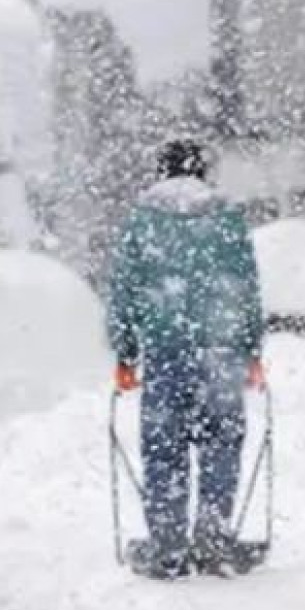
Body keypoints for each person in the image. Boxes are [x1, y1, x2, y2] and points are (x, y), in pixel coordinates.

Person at [107, 139, 267, 579]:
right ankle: (214, 542)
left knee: (163, 450)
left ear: (162, 172)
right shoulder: (227, 218)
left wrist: (125, 351)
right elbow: (245, 287)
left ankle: (168, 547)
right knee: (221, 445)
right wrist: (252, 350)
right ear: (202, 172)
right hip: (221, 350)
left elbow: (124, 288)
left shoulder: (142, 221)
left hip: (165, 350)